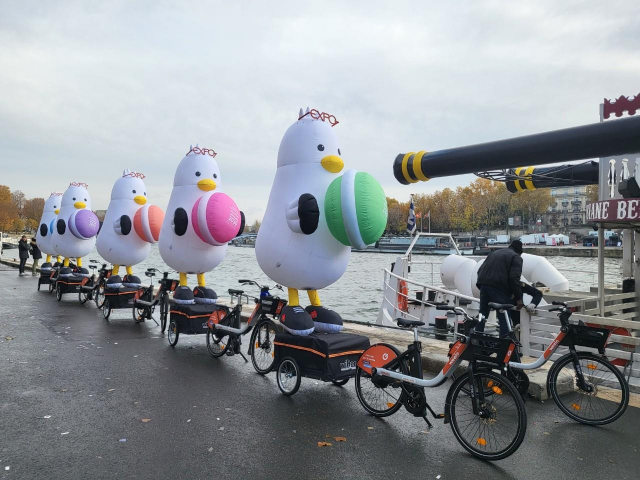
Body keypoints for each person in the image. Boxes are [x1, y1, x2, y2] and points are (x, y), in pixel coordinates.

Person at [475, 240, 524, 337]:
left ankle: (476, 337)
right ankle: (504, 342)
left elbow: (479, 271)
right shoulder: (516, 257)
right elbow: (514, 278)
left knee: (482, 314)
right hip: (499, 288)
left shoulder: (494, 253)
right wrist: (518, 299)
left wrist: (483, 287)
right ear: (519, 252)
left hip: (483, 285)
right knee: (504, 315)